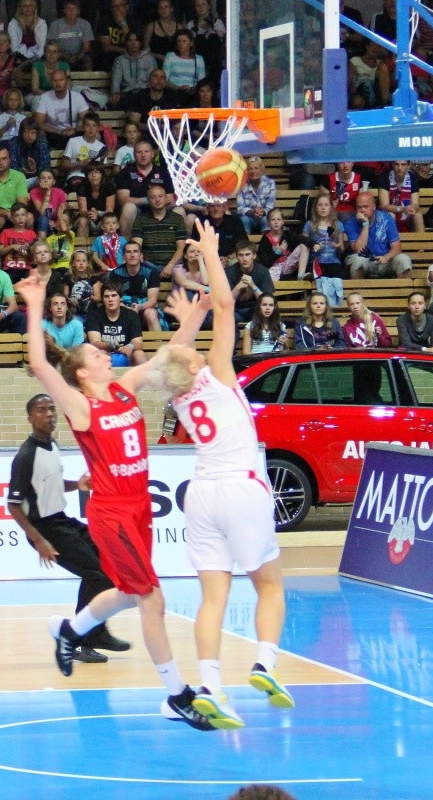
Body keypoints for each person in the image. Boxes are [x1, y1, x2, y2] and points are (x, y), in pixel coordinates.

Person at [15, 271, 211, 730]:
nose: (105, 354)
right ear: (83, 373)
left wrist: (200, 311)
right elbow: (41, 365)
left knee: (127, 591)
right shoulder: (82, 407)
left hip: (139, 508)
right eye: (96, 354)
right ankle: (177, 695)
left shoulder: (125, 387)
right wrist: (35, 304)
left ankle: (71, 630)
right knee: (151, 598)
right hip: (112, 513)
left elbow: (171, 356)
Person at [153, 223, 295, 731]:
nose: (195, 349)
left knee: (213, 597)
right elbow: (227, 305)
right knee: (270, 586)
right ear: (196, 365)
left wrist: (188, 321)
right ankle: (265, 665)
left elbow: (170, 357)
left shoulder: (177, 392)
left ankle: (210, 686)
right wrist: (212, 255)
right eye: (193, 351)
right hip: (240, 487)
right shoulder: (217, 372)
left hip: (202, 493)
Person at [4, 393, 132, 664]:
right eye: (42, 410)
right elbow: (13, 505)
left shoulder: (51, 445)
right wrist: (39, 541)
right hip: (45, 529)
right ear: (30, 418)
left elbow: (52, 484)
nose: (50, 414)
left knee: (108, 563)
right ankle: (81, 638)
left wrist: (78, 485)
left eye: (51, 409)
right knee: (96, 575)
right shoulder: (26, 456)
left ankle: (95, 633)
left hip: (61, 520)